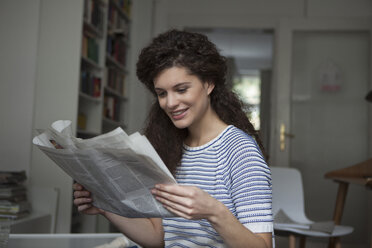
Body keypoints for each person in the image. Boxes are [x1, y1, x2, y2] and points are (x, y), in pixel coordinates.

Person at [73, 29, 274, 248]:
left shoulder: (240, 150)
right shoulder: (169, 147)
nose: (170, 103)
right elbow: (159, 238)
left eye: (181, 89)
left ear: (208, 84)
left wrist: (214, 211)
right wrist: (105, 206)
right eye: (162, 93)